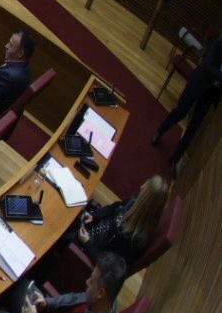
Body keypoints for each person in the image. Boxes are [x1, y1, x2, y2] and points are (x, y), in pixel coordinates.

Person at [155, 31, 222, 172]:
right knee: (180, 112)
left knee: (193, 129)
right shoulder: (219, 42)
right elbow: (209, 66)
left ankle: (174, 160)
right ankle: (160, 131)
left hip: (209, 95)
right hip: (199, 82)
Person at [77, 174, 171, 266]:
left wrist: (87, 243)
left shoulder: (135, 239)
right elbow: (115, 206)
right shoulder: (135, 202)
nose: (141, 186)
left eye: (145, 188)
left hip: (91, 248)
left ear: (146, 201)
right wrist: (95, 216)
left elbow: (107, 267)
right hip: (95, 227)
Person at [0, 29, 34, 119]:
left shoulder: (8, 76)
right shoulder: (24, 67)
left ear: (20, 53)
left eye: (10, 45)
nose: (6, 46)